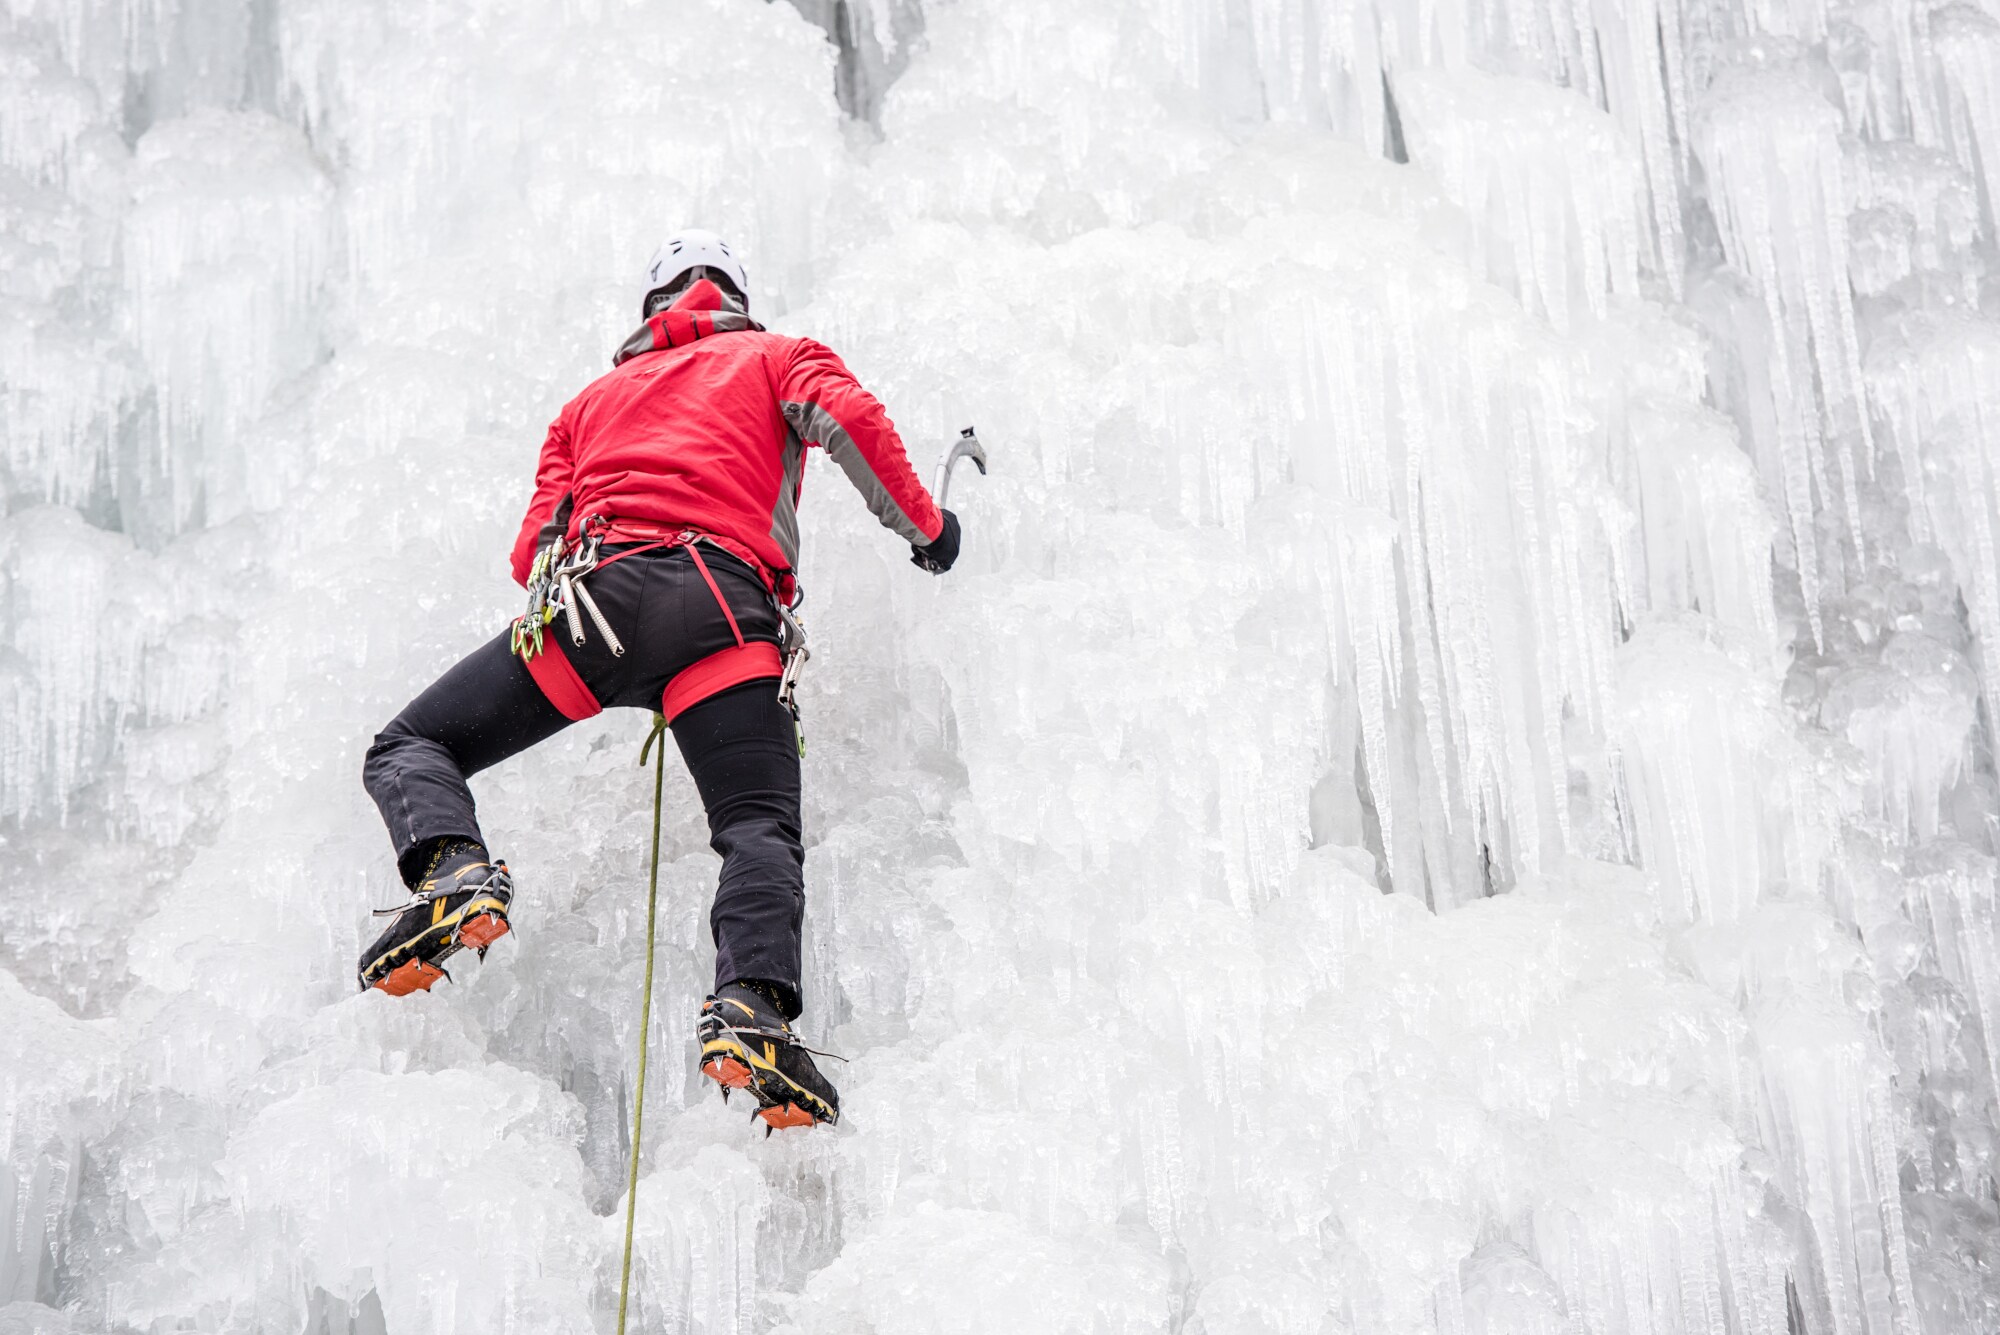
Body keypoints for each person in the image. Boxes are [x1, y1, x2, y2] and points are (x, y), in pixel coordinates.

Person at [356, 229, 960, 1131]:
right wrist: (929, 531)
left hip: (594, 614)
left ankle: (453, 870)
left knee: (410, 744)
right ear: (735, 301)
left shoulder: (587, 405)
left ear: (652, 308)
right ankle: (751, 1007)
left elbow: (531, 553)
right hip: (723, 616)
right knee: (757, 830)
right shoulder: (777, 355)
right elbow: (851, 424)